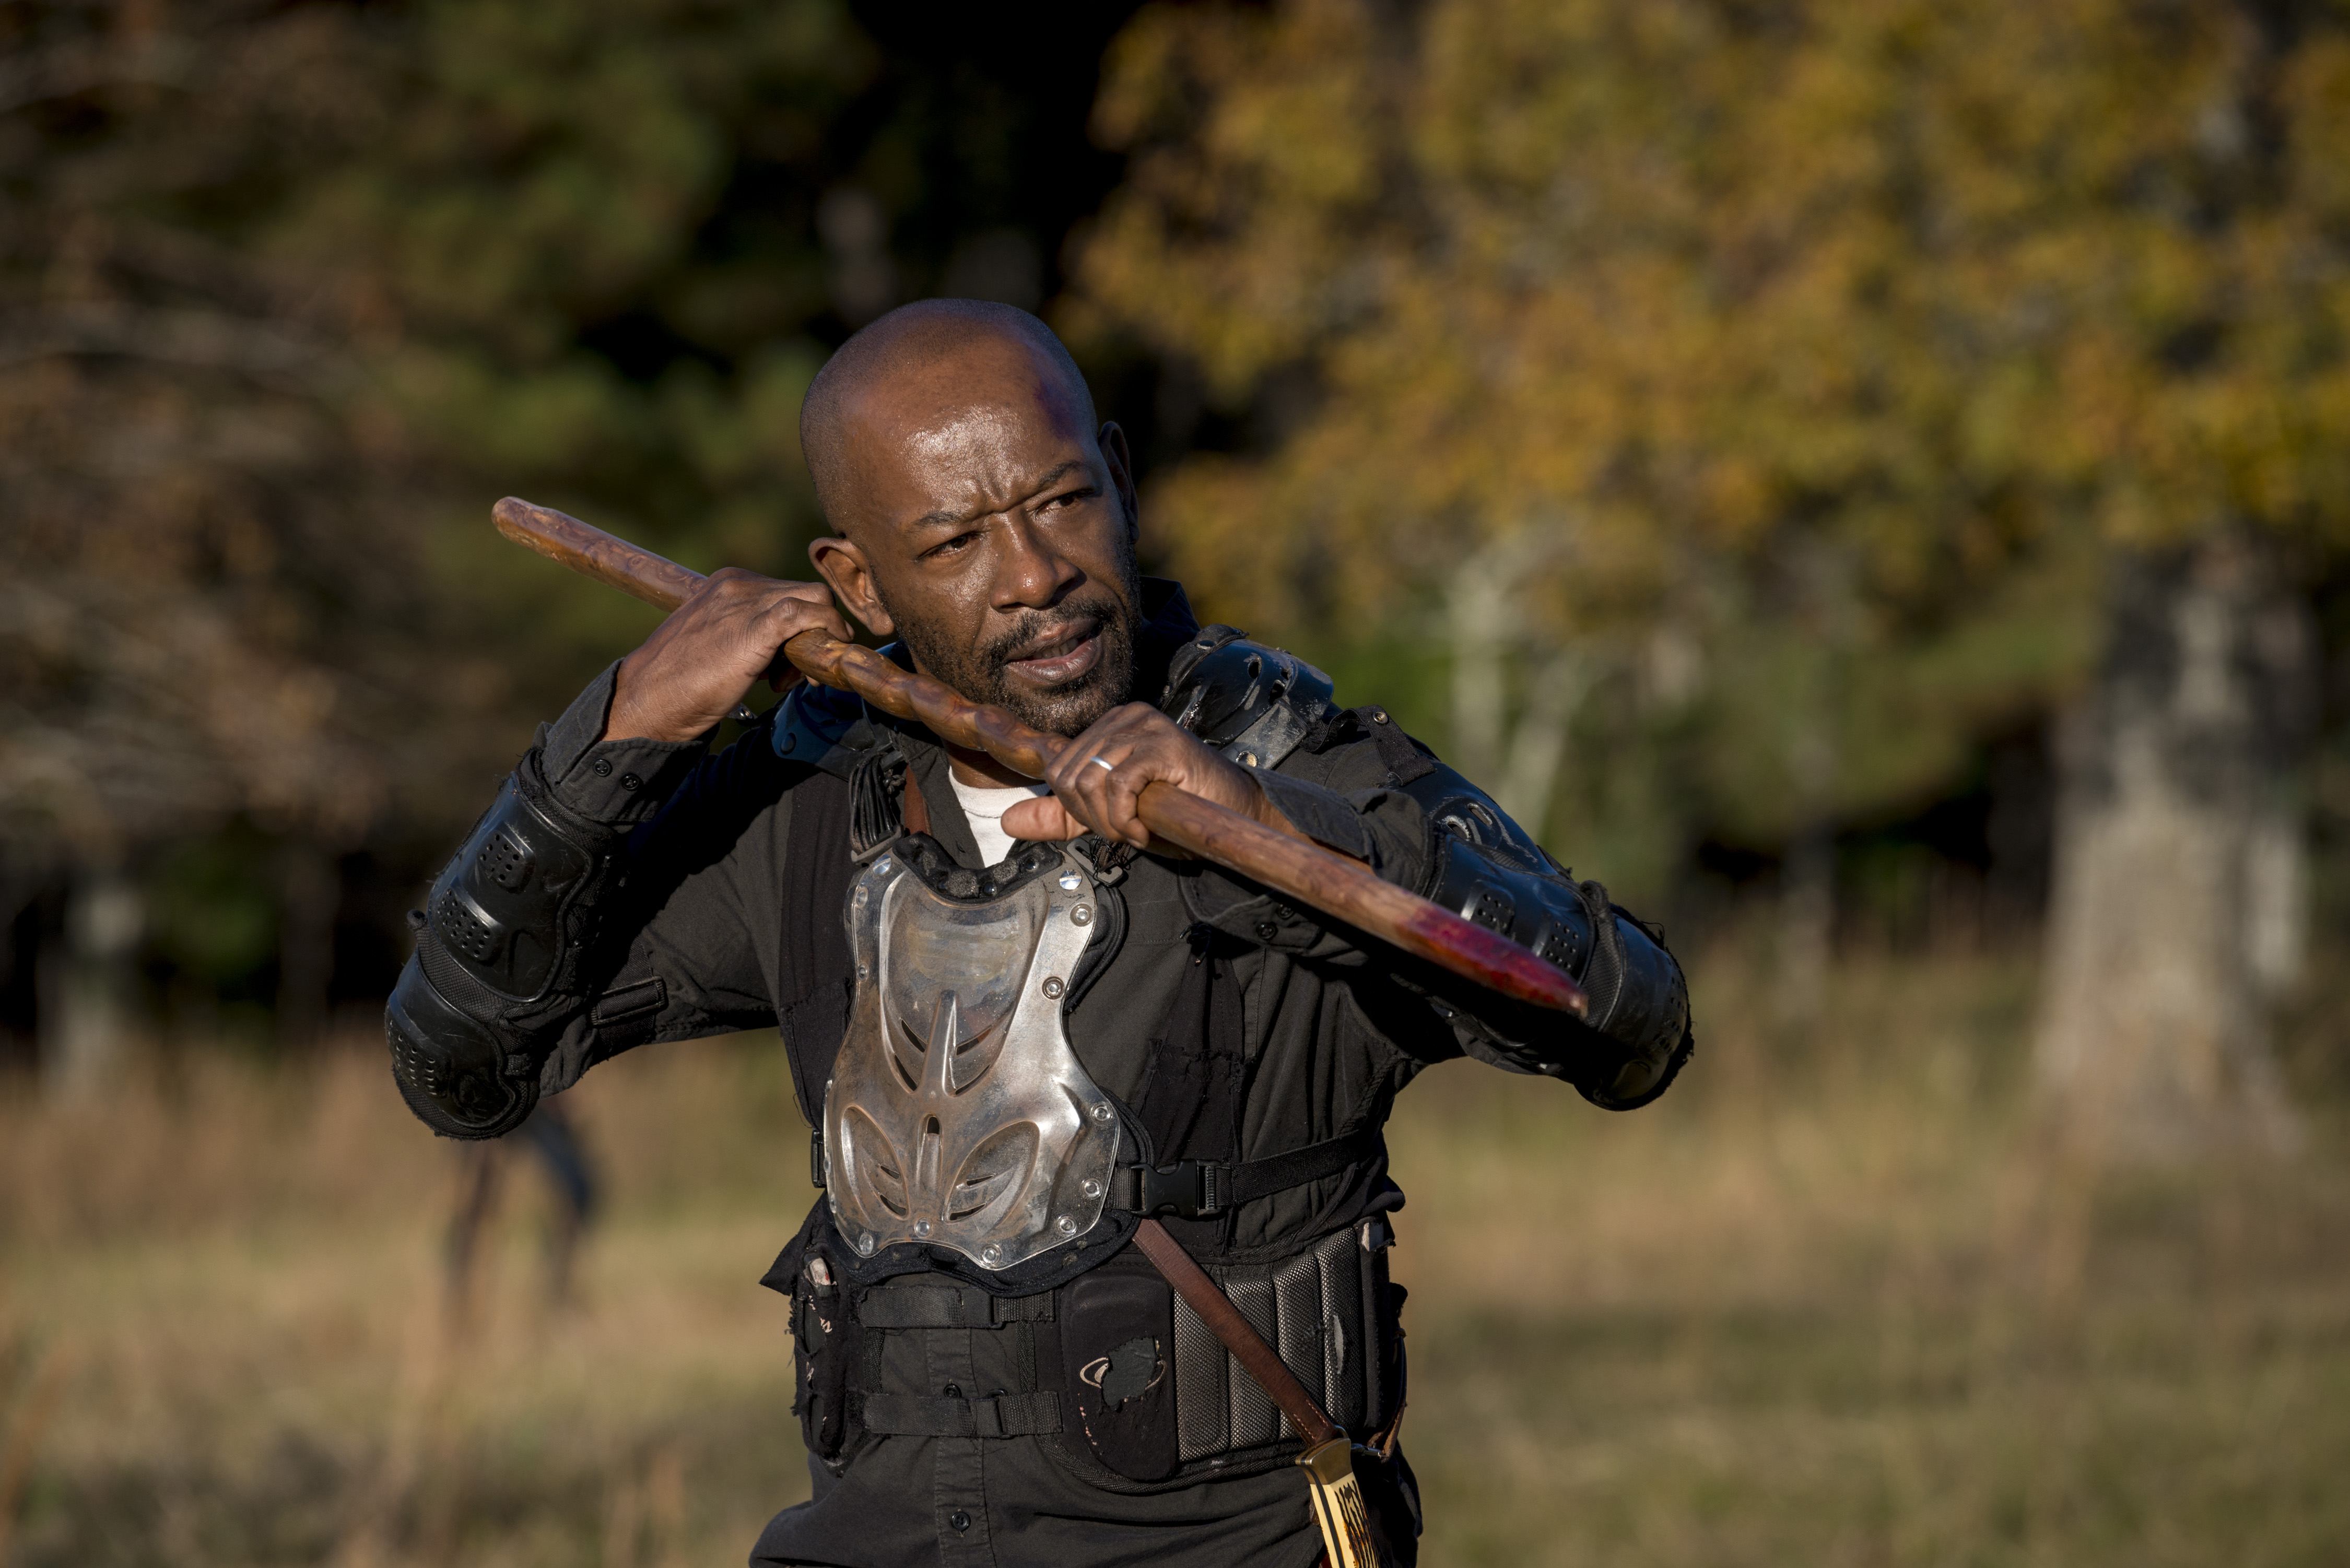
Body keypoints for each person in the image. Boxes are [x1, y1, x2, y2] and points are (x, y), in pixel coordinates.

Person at [385, 300, 1693, 1567]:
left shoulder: (1300, 770)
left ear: (1119, 477)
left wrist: (1277, 836)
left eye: (1061, 500)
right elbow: (459, 1061)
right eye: (954, 542)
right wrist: (607, 743)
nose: (1035, 576)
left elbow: (1631, 1024)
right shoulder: (804, 818)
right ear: (860, 581)